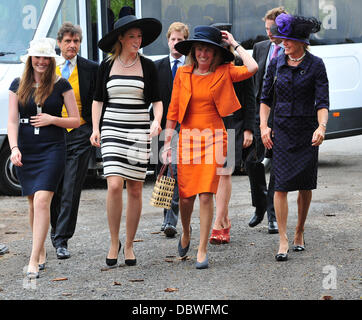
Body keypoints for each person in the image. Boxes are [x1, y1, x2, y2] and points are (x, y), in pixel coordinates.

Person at [163, 26, 258, 269]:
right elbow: (173, 110)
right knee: (186, 197)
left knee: (206, 194)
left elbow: (253, 67)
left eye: (208, 49)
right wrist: (166, 143)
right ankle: (186, 231)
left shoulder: (224, 71)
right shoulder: (183, 74)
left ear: (215, 53)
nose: (203, 53)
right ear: (193, 51)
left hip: (215, 137)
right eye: (200, 49)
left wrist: (235, 44)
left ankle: (202, 248)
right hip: (187, 138)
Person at [90, 14, 162, 268]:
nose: (137, 40)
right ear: (120, 38)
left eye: (139, 36)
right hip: (112, 128)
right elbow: (98, 99)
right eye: (132, 36)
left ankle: (129, 243)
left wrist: (156, 120)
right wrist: (96, 128)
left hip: (138, 131)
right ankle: (113, 241)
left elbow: (157, 100)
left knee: (134, 188)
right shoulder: (106, 66)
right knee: (113, 185)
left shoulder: (148, 66)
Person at [8, 38, 80, 279]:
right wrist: (14, 147)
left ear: (51, 60)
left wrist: (52, 119)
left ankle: (32, 259)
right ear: (30, 60)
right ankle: (40, 251)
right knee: (32, 201)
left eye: (45, 57)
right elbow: (11, 120)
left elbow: (75, 120)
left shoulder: (61, 84)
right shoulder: (18, 84)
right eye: (37, 57)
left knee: (41, 201)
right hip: (27, 148)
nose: (41, 61)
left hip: (52, 147)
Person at [260, 13, 328, 261]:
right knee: (280, 186)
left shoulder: (316, 65)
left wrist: (321, 127)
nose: (282, 43)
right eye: (281, 39)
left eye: (287, 39)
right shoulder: (276, 62)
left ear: (301, 41)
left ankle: (299, 230)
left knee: (304, 184)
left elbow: (322, 101)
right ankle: (283, 239)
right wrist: (263, 126)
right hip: (282, 132)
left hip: (307, 132)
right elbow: (265, 98)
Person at [50, 22, 99, 260]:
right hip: (52, 134)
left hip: (80, 133)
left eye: (76, 41)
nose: (72, 45)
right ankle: (53, 229)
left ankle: (62, 239)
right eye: (68, 41)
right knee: (53, 187)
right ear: (59, 43)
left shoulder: (90, 68)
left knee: (71, 187)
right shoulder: (47, 67)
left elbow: (98, 100)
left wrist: (93, 128)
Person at [208, 22, 255, 245]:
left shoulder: (235, 64)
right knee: (215, 176)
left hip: (233, 125)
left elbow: (249, 98)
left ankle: (218, 222)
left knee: (224, 172)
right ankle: (225, 220)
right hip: (208, 125)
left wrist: (249, 128)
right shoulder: (205, 66)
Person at [249, 7, 288, 234]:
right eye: (266, 29)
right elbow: (254, 81)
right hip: (258, 113)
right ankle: (260, 206)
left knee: (274, 166)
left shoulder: (289, 52)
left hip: (279, 115)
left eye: (273, 29)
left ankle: (273, 215)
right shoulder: (260, 47)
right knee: (253, 162)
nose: (269, 34)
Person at [154, 22, 189, 238]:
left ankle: (171, 220)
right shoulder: (157, 67)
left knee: (177, 172)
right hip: (163, 125)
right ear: (168, 41)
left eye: (181, 40)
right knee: (164, 172)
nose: (176, 43)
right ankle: (166, 216)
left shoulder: (191, 66)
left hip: (185, 126)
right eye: (173, 39)